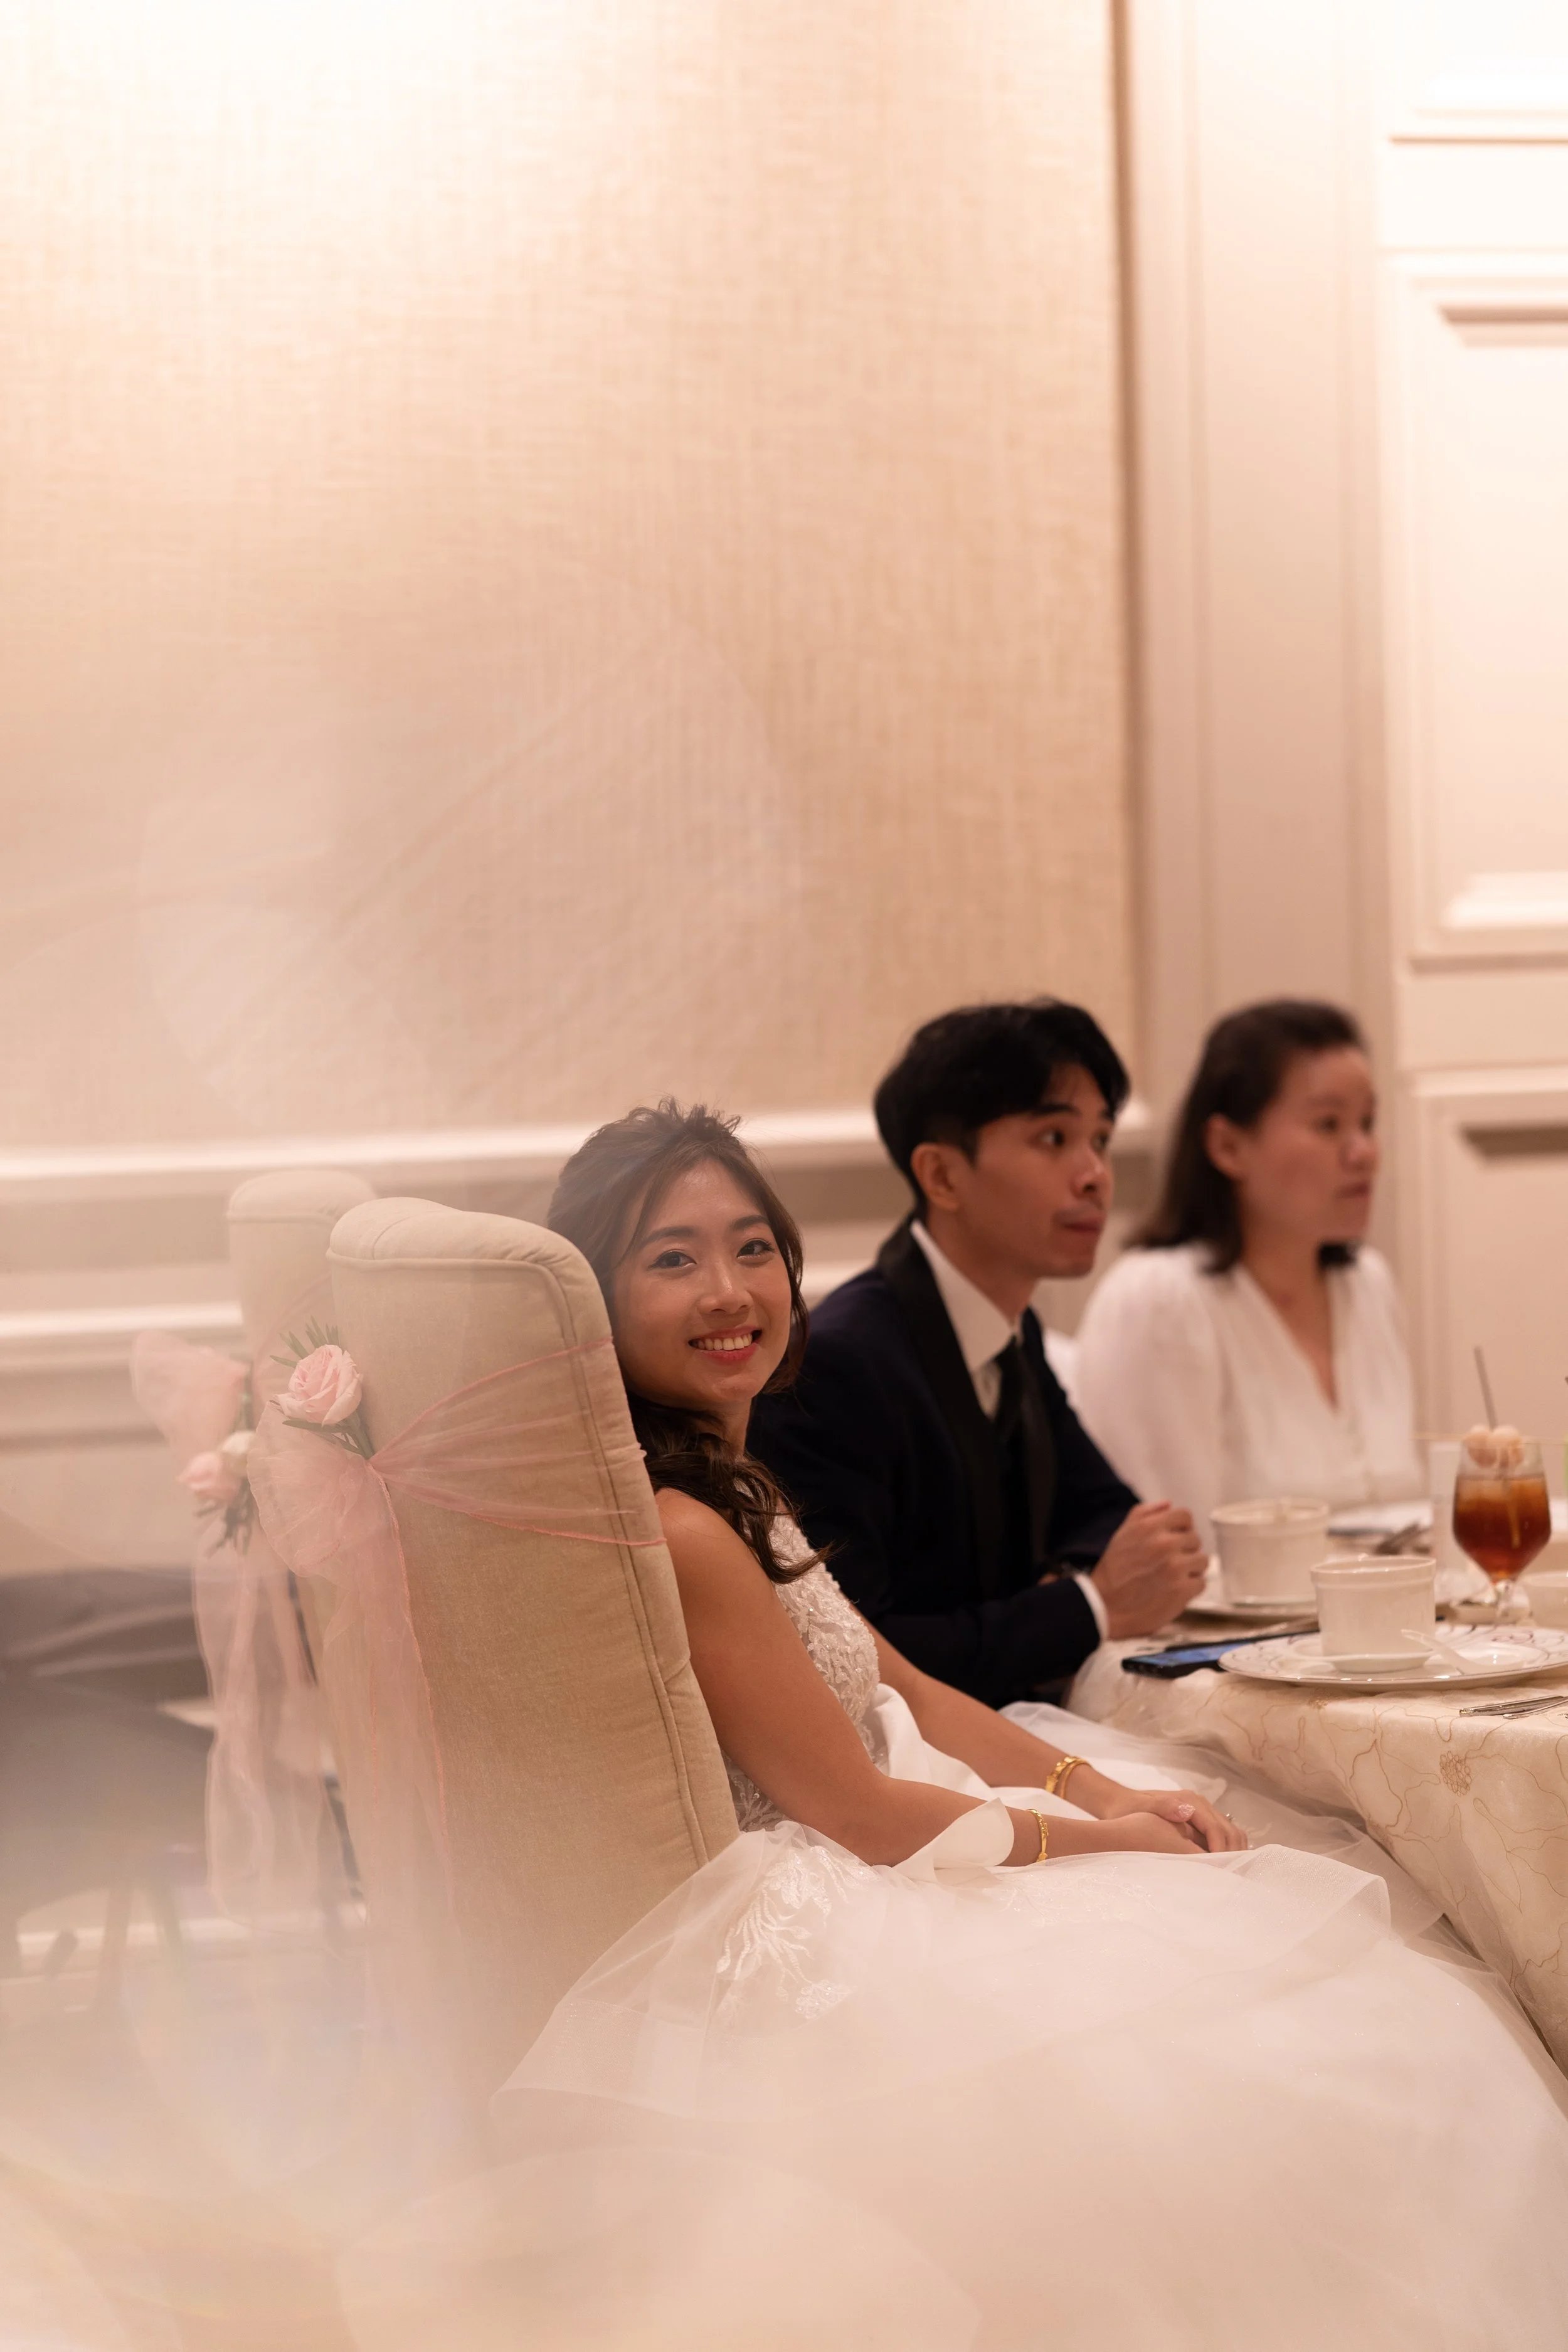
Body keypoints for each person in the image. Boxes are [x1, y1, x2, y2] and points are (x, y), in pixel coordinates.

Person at [458, 1103, 1568, 2351]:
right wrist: (1115, 1848)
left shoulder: (734, 1483)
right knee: (1335, 2051)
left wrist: (1094, 1791)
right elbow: (865, 1814)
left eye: (752, 1247)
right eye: (671, 1258)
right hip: (837, 1899)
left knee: (1302, 1903)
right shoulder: (683, 1529)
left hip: (901, 1832)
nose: (728, 1290)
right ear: (596, 1304)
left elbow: (914, 1694)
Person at [749, 1002, 1205, 1706]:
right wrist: (1089, 1606)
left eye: (1103, 1140)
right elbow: (858, 1651)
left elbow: (1103, 1512)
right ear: (942, 1177)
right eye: (1054, 1138)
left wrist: (1109, 1577)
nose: (1094, 1176)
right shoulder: (835, 1365)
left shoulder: (1009, 1329)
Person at [1074, 1000, 1422, 1549]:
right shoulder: (1159, 1300)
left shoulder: (1366, 1284)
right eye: (1329, 1125)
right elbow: (1167, 1562)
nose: (1364, 1154)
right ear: (1228, 1146)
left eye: (1368, 1123)